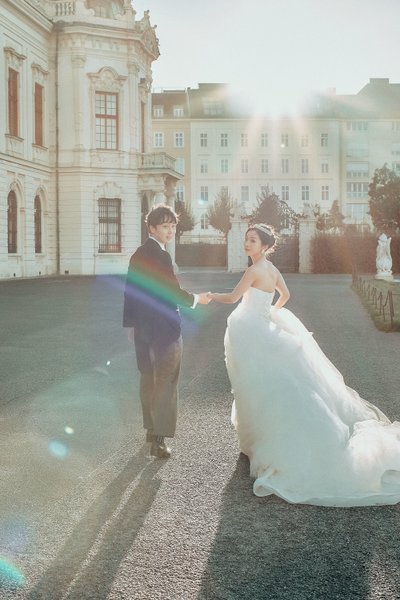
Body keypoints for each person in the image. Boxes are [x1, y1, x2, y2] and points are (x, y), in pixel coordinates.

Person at [208, 223, 400, 507]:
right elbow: (285, 296)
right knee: (275, 384)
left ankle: (263, 441)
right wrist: (270, 313)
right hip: (264, 327)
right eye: (246, 239)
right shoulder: (272, 270)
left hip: (251, 332)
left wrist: (211, 295)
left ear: (263, 245)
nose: (246, 244)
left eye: (252, 240)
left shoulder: (252, 271)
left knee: (257, 385)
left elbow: (234, 298)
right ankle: (262, 438)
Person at [123, 204, 210, 458]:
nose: (170, 231)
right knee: (166, 380)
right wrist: (196, 299)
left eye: (173, 226)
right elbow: (171, 291)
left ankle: (151, 430)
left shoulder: (138, 254)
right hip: (164, 329)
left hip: (144, 330)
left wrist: (132, 324)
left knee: (147, 378)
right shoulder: (161, 256)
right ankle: (159, 442)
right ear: (151, 227)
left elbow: (131, 291)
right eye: (165, 226)